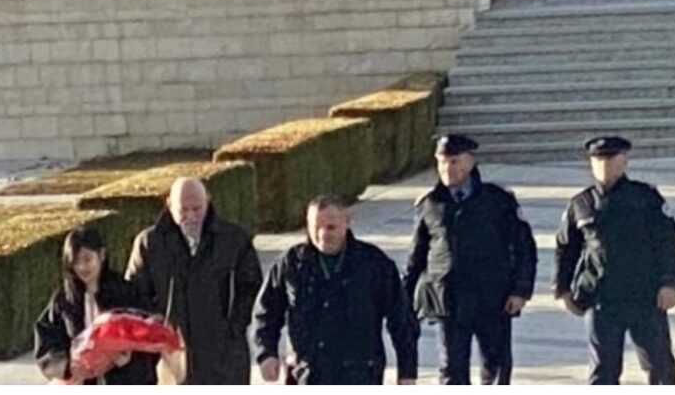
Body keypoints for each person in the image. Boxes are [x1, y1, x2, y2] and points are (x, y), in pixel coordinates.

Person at [403, 134, 537, 384]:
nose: (447, 168)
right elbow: (417, 256)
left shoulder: (497, 200)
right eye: (442, 162)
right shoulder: (430, 203)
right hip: (449, 299)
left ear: (470, 162)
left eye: (454, 161)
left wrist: (520, 290)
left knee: (496, 367)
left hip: (492, 297)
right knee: (451, 370)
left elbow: (524, 248)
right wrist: (404, 299)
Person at [553, 136, 675, 385]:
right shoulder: (581, 204)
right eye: (598, 160)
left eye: (611, 159)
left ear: (624, 161)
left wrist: (669, 283)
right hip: (601, 299)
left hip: (645, 296)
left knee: (660, 366)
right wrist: (562, 289)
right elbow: (565, 248)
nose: (604, 165)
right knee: (603, 371)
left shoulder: (646, 198)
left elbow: (667, 243)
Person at [253, 196, 420, 385]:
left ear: (347, 222)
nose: (323, 234)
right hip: (307, 374)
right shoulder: (292, 263)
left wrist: (407, 372)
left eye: (331, 227)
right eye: (316, 228)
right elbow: (266, 311)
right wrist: (266, 353)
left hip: (359, 374)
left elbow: (402, 320)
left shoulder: (373, 264)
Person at [125, 177, 262, 384]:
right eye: (183, 210)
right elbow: (134, 295)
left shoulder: (233, 239)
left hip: (223, 356)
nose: (191, 216)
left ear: (208, 201)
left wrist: (233, 328)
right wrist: (155, 329)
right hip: (169, 357)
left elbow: (252, 288)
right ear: (169, 205)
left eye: (197, 209)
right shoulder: (150, 243)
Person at [34, 227, 157, 384]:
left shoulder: (126, 293)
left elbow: (149, 338)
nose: (82, 267)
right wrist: (67, 366)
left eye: (87, 259)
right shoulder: (64, 299)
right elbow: (47, 341)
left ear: (102, 255)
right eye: (75, 261)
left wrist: (129, 362)